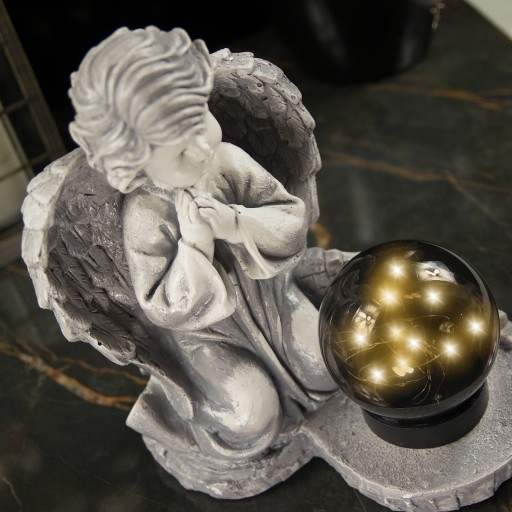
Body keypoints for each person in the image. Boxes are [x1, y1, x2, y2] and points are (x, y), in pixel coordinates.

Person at [69, 26, 335, 462]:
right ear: (133, 163)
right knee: (251, 416)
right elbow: (160, 304)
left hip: (274, 301)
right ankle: (172, 417)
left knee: (328, 364)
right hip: (210, 337)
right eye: (177, 151)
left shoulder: (226, 161)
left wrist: (237, 222)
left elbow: (291, 219)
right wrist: (194, 247)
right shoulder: (145, 213)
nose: (200, 149)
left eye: (201, 124)